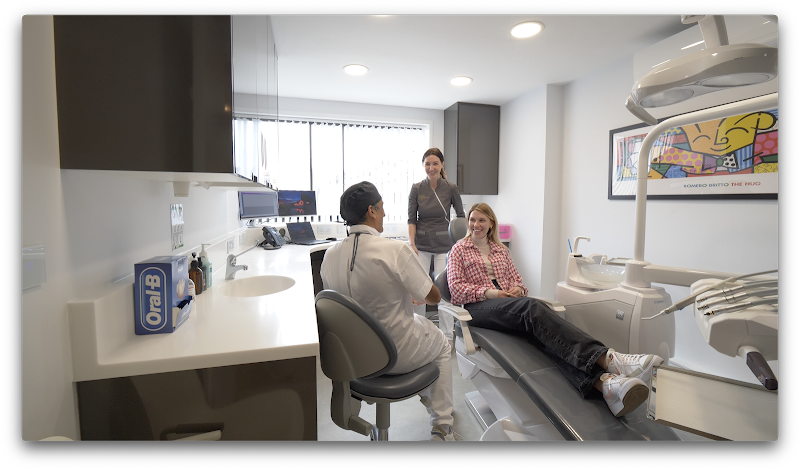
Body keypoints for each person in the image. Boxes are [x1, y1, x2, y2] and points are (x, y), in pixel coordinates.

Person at [446, 203, 663, 417]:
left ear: (491, 223)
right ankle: (609, 359)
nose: (476, 224)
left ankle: (606, 385)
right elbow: (456, 289)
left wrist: (518, 289)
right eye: (472, 220)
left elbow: (518, 281)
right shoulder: (459, 249)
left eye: (481, 220)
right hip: (478, 307)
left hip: (508, 305)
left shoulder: (501, 251)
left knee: (546, 337)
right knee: (533, 307)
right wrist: (491, 293)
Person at [321, 181, 459, 440]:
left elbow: (353, 303)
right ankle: (442, 424)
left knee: (417, 328)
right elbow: (433, 296)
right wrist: (414, 290)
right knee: (441, 343)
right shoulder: (395, 250)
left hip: (350, 357)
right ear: (371, 211)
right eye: (382, 207)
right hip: (394, 355)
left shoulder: (329, 256)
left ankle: (430, 396)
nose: (384, 213)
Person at [408, 148, 465, 349]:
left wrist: (459, 242)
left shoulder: (450, 188)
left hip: (444, 246)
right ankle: (418, 335)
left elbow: (461, 216)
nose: (431, 168)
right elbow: (411, 219)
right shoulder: (416, 188)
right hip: (421, 246)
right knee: (419, 291)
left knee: (443, 292)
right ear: (423, 166)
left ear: (442, 165)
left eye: (435, 163)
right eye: (427, 164)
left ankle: (447, 337)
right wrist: (412, 244)